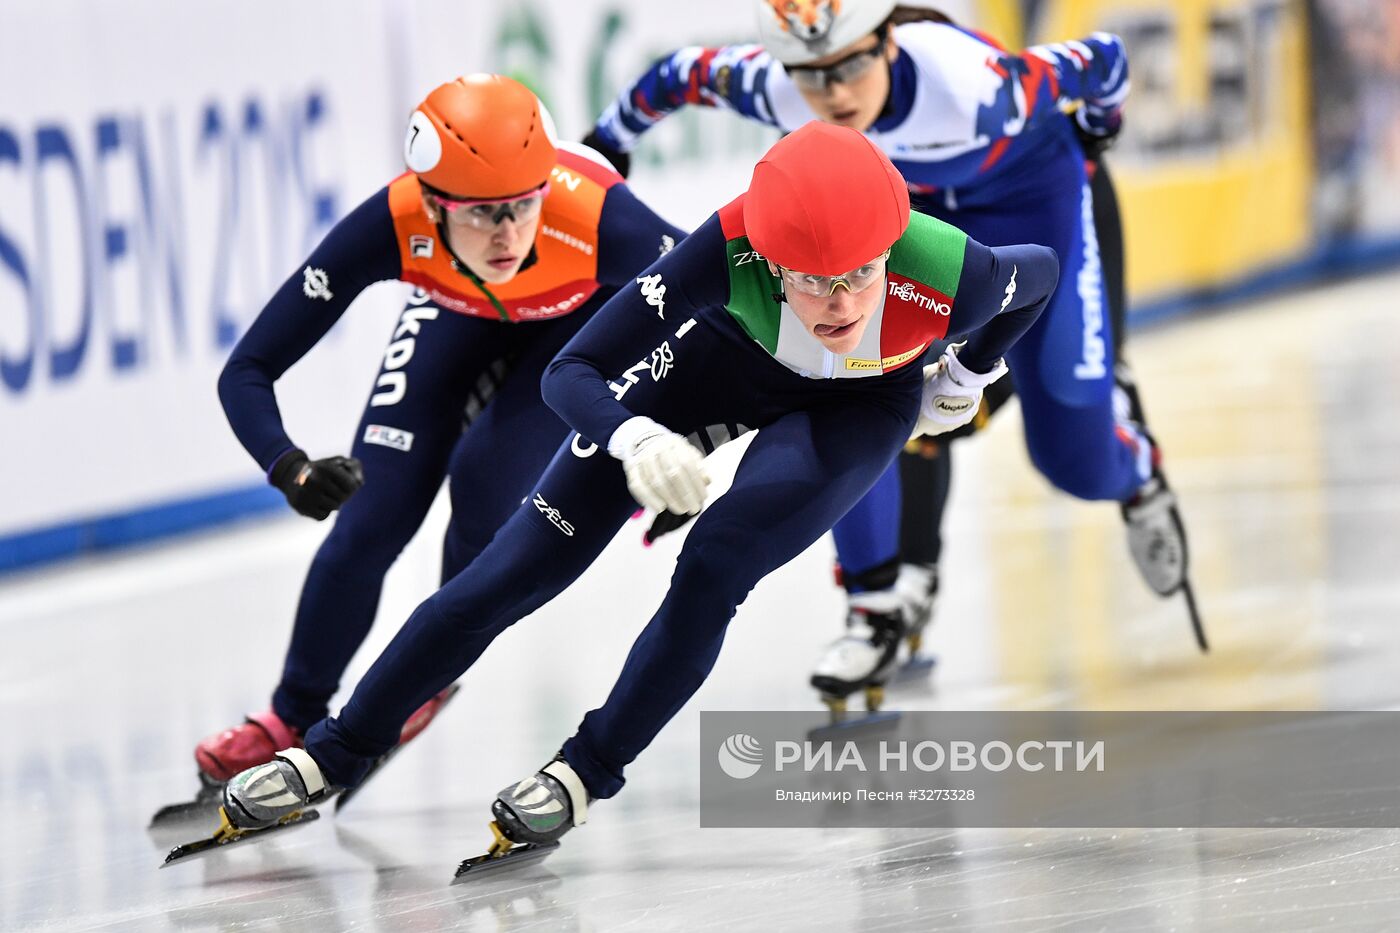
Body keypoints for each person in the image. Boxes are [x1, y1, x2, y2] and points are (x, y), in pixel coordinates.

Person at [207, 123, 1060, 859]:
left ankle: (587, 769)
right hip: (717, 370)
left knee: (716, 564)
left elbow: (1044, 270)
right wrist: (635, 433)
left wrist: (972, 368)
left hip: (858, 407)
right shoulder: (725, 247)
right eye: (809, 280)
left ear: (892, 249)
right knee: (512, 567)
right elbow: (573, 368)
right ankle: (333, 749)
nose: (837, 303)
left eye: (859, 278)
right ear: (767, 258)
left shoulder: (954, 271)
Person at [581, 0, 1198, 713]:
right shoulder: (775, 85)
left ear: (889, 42)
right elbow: (676, 77)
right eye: (811, 76)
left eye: (850, 65)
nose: (833, 93)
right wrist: (606, 148)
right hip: (892, 225)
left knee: (1075, 459)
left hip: (1030, 203)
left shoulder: (977, 87)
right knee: (845, 378)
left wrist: (1095, 136)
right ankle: (873, 600)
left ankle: (1134, 462)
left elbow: (1106, 63)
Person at [190, 74, 685, 790]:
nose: (509, 234)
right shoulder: (393, 222)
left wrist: (667, 444)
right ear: (430, 203)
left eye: (523, 207)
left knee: (486, 485)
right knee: (368, 520)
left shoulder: (601, 218)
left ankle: (424, 669)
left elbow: (721, 314)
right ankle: (288, 717)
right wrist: (288, 465)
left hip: (579, 328)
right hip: (456, 314)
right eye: (483, 215)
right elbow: (248, 367)